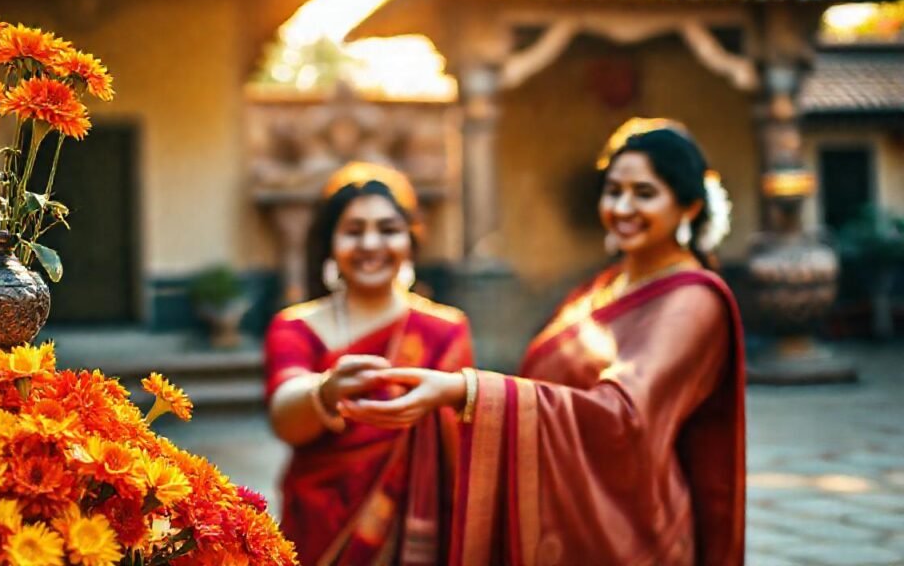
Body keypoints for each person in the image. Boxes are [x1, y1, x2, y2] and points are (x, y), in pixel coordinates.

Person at [342, 124, 745, 565]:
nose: (622, 207)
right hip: (571, 518)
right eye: (613, 191)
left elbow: (622, 416)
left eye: (644, 193)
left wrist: (466, 392)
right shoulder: (604, 288)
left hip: (634, 531)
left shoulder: (693, 301)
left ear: (688, 205)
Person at [264, 162, 474, 565]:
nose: (371, 244)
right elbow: (284, 415)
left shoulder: (445, 330)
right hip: (319, 525)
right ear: (330, 243)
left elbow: (460, 448)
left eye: (388, 230)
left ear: (410, 240)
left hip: (418, 530)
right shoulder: (296, 327)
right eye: (354, 231)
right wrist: (325, 391)